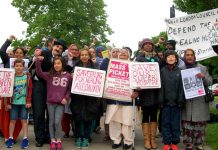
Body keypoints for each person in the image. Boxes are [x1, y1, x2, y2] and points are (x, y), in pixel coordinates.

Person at [29, 39, 67, 147]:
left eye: (60, 48)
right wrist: (35, 57)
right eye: (57, 46)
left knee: (51, 114)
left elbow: (67, 70)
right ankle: (39, 138)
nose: (58, 49)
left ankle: (48, 136)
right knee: (39, 112)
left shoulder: (61, 60)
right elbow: (30, 67)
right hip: (40, 86)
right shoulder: (44, 53)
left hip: (53, 88)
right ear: (53, 46)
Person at [105, 48, 138, 150]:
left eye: (125, 52)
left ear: (129, 55)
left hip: (128, 98)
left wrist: (137, 91)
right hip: (113, 98)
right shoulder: (111, 64)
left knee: (127, 121)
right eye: (121, 52)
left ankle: (128, 141)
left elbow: (139, 80)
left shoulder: (134, 66)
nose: (123, 53)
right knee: (114, 120)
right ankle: (116, 140)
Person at [36, 56, 72, 150]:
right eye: (55, 63)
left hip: (61, 103)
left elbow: (69, 89)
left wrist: (66, 98)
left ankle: (59, 140)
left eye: (58, 63)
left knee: (57, 122)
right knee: (51, 122)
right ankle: (52, 140)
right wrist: (38, 61)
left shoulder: (67, 75)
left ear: (62, 64)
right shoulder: (49, 75)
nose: (56, 65)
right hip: (50, 102)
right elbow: (39, 73)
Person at [181, 49, 212, 150]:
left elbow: (210, 81)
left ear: (194, 56)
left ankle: (199, 144)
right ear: (184, 56)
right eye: (187, 55)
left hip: (199, 101)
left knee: (199, 125)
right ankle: (188, 144)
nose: (189, 57)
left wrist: (203, 77)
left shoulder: (202, 68)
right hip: (186, 102)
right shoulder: (180, 68)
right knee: (187, 125)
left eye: (191, 55)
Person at [70, 49, 99, 149]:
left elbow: (99, 80)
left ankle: (86, 137)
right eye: (82, 55)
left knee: (88, 119)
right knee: (77, 118)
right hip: (77, 97)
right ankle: (78, 137)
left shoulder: (95, 66)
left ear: (89, 56)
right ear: (80, 56)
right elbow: (70, 80)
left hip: (90, 98)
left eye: (86, 55)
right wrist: (72, 76)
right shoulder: (75, 66)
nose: (84, 56)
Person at [135, 38, 159, 149]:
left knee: (154, 115)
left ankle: (153, 139)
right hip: (144, 92)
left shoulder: (156, 58)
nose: (148, 45)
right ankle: (146, 140)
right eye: (146, 44)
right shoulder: (139, 58)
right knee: (145, 115)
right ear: (142, 46)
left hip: (155, 92)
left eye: (150, 44)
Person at [158, 50, 184, 150]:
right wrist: (161, 101)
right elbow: (160, 87)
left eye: (172, 56)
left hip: (176, 103)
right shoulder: (162, 71)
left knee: (175, 124)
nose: (170, 58)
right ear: (165, 59)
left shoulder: (180, 71)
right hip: (165, 103)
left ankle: (174, 142)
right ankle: (167, 142)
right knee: (165, 123)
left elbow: (181, 88)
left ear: (176, 59)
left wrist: (180, 100)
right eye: (168, 56)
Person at [5, 58, 33, 148]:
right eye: (17, 66)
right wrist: (8, 103)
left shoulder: (27, 78)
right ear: (14, 66)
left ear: (23, 67)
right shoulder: (11, 77)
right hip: (13, 103)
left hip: (23, 103)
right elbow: (7, 91)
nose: (18, 68)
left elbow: (30, 90)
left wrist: (28, 101)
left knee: (24, 120)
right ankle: (10, 138)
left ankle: (25, 139)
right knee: (12, 120)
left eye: (20, 66)